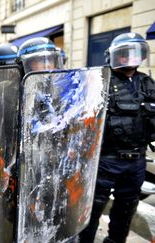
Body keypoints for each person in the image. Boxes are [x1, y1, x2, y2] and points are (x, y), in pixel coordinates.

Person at [78, 32, 154, 243]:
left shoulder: (147, 83)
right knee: (92, 208)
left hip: (136, 161)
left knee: (126, 208)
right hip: (106, 160)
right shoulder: (100, 82)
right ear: (113, 56)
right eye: (124, 54)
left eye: (134, 53)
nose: (128, 59)